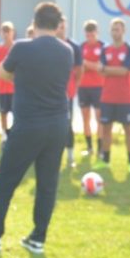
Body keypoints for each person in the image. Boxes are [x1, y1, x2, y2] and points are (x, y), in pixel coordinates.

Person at [0, 2, 73, 254]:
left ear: (34, 22)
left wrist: (23, 77)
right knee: (47, 185)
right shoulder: (67, 51)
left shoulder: (23, 47)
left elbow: (3, 73)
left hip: (29, 124)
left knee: (6, 181)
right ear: (58, 25)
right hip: (58, 125)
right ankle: (38, 238)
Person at [94, 18, 130, 174]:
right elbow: (100, 70)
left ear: (123, 31)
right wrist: (110, 70)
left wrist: (106, 69)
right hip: (107, 96)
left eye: (117, 29)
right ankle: (105, 160)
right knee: (106, 129)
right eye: (113, 29)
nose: (115, 32)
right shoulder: (105, 49)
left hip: (125, 97)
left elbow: (124, 71)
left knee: (128, 129)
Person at [56, 20, 84, 168]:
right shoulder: (50, 45)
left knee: (67, 124)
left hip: (67, 93)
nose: (60, 29)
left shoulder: (74, 47)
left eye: (62, 27)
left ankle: (70, 156)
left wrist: (74, 87)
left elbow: (79, 70)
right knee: (51, 125)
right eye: (58, 26)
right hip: (50, 93)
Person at [77, 20, 104, 156]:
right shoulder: (81, 47)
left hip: (99, 87)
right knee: (85, 118)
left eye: (92, 35)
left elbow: (100, 68)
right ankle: (89, 147)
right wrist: (91, 65)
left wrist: (86, 63)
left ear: (97, 33)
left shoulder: (103, 47)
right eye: (88, 36)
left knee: (99, 119)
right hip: (83, 87)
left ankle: (100, 149)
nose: (90, 38)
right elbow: (79, 67)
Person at [0, 21, 16, 142]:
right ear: (0, 33)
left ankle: (16, 134)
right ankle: (4, 134)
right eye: (3, 32)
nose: (6, 34)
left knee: (17, 113)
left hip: (16, 89)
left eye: (8, 31)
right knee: (3, 112)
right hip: (3, 88)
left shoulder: (17, 49)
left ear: (12, 33)